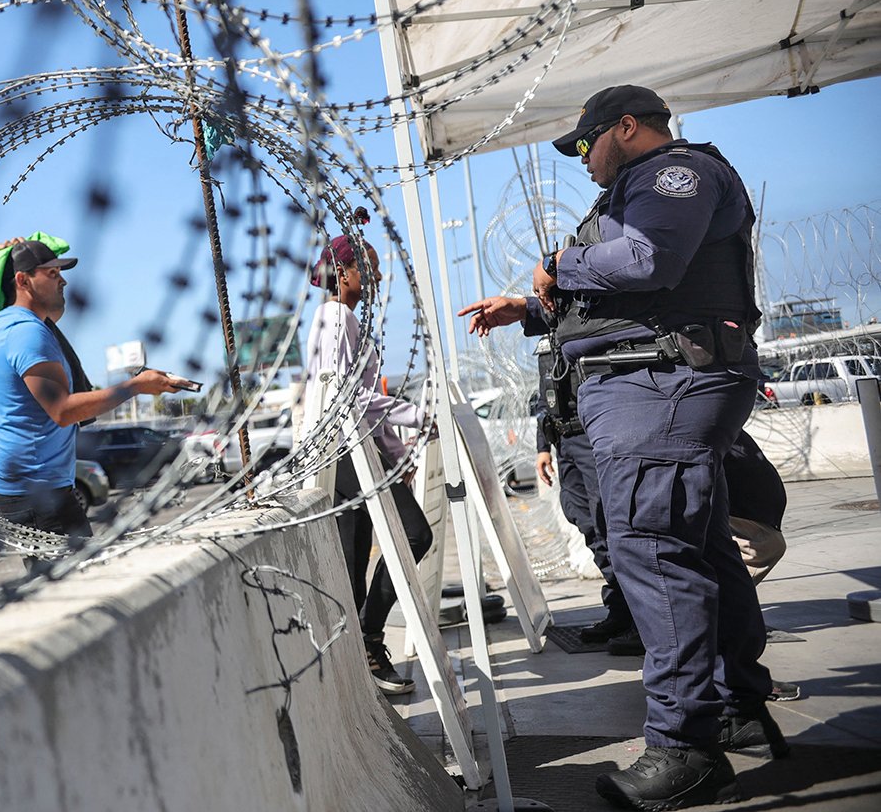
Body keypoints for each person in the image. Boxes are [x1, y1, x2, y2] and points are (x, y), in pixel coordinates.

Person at [458, 86, 785, 809]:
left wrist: (556, 264)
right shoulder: (633, 190)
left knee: (656, 552)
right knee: (695, 545)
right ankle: (736, 705)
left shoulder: (674, 174)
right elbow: (620, 287)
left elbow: (648, 261)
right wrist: (535, 305)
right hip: (649, 383)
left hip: (664, 383)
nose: (581, 160)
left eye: (585, 144)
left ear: (627, 128)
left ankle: (682, 746)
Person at [0, 239, 189, 552]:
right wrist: (136, 386)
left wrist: (15, 255)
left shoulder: (3, 325)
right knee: (72, 582)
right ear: (22, 281)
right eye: (51, 274)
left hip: (21, 485)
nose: (62, 280)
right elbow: (62, 410)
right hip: (37, 491)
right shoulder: (26, 333)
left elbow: (52, 310)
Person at [303, 233, 431, 695]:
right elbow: (348, 399)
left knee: (358, 560)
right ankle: (368, 642)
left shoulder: (344, 320)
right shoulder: (334, 320)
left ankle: (364, 650)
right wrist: (418, 416)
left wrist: (398, 457)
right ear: (343, 273)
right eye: (368, 268)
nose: (376, 277)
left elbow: (365, 405)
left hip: (359, 451)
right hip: (344, 453)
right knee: (411, 536)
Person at [532, 339, 634, 647]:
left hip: (592, 435)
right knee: (585, 521)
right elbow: (544, 395)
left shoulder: (582, 325)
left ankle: (641, 620)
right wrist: (543, 447)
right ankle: (620, 610)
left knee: (610, 524)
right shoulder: (548, 335)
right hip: (564, 440)